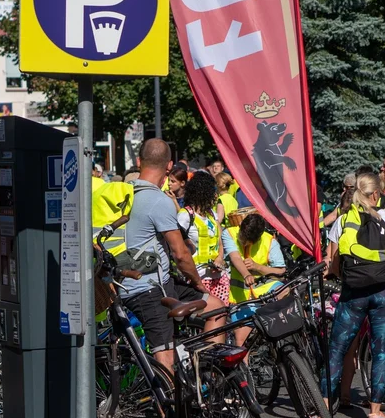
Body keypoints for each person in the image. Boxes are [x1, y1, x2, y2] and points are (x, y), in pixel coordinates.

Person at [119, 139, 228, 376]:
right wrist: (199, 284)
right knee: (165, 361)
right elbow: (181, 255)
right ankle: (180, 400)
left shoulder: (124, 195)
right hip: (148, 289)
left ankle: (201, 376)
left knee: (216, 308)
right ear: (169, 166)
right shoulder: (159, 201)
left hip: (132, 283)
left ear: (139, 162)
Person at [325, 172, 385, 418]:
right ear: (377, 194)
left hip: (353, 293)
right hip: (384, 291)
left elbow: (334, 262)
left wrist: (349, 276)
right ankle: (375, 413)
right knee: (381, 350)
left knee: (336, 349)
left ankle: (320, 410)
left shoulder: (343, 220)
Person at [178, 172, 249, 307]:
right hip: (196, 278)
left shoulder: (212, 214)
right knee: (202, 319)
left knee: (221, 314)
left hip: (218, 277)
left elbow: (220, 242)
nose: (215, 195)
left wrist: (219, 258)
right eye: (213, 191)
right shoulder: (185, 216)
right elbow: (178, 247)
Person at [228, 213, 284, 304]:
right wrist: (246, 274)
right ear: (240, 226)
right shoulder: (229, 233)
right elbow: (235, 257)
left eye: (248, 242)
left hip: (265, 292)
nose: (244, 243)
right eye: (242, 237)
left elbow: (281, 272)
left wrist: (257, 267)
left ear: (258, 239)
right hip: (239, 298)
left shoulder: (270, 241)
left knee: (285, 291)